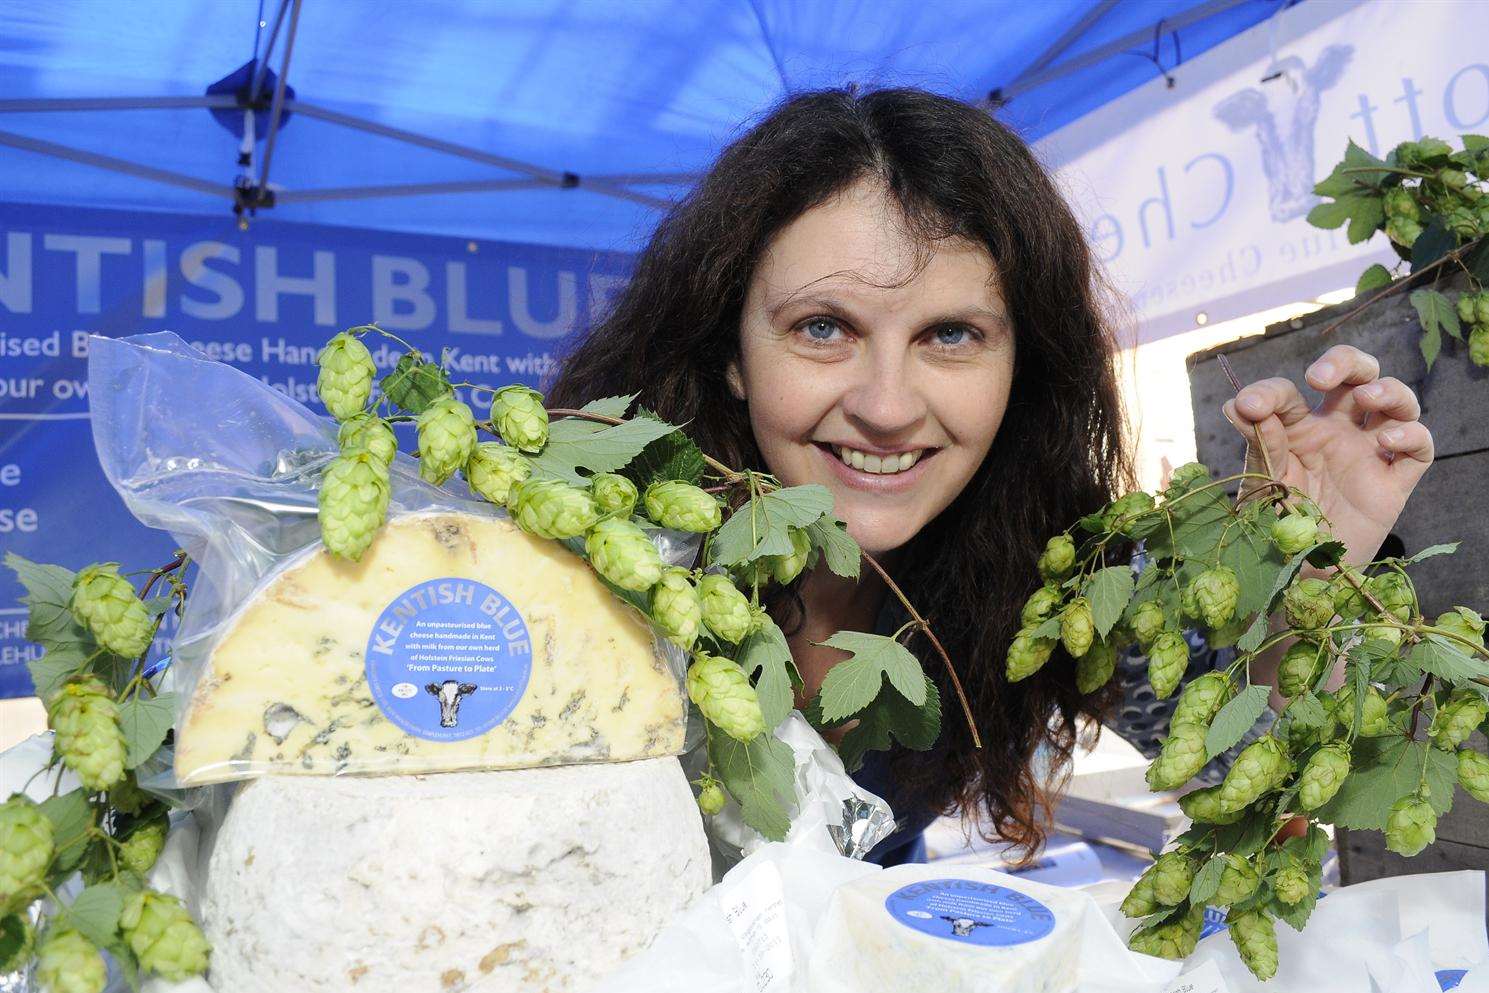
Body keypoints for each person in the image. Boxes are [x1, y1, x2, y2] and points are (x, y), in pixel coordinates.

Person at [546, 87, 1434, 865]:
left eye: (950, 334)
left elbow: (1238, 776)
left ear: (1022, 366)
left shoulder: (1051, 570)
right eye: (823, 327)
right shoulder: (578, 564)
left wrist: (1306, 579)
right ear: (729, 353)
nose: (887, 406)